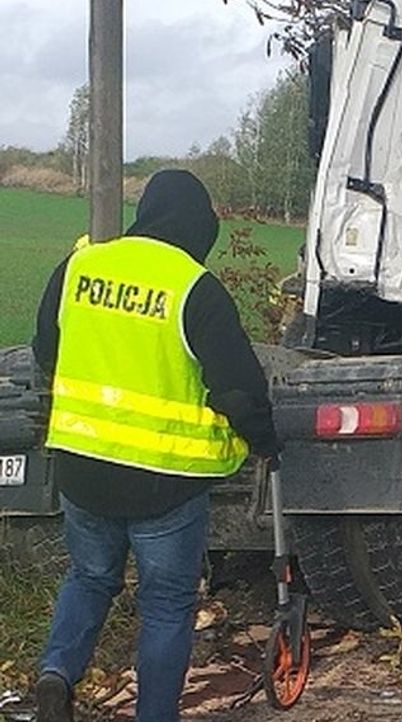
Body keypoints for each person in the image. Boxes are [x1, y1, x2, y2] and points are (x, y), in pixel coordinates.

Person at [32, 169, 281, 722]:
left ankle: (55, 675)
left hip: (81, 468)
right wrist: (265, 442)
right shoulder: (195, 288)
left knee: (90, 578)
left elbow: (44, 350)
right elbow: (238, 390)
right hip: (162, 483)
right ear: (198, 223)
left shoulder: (79, 266)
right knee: (166, 606)